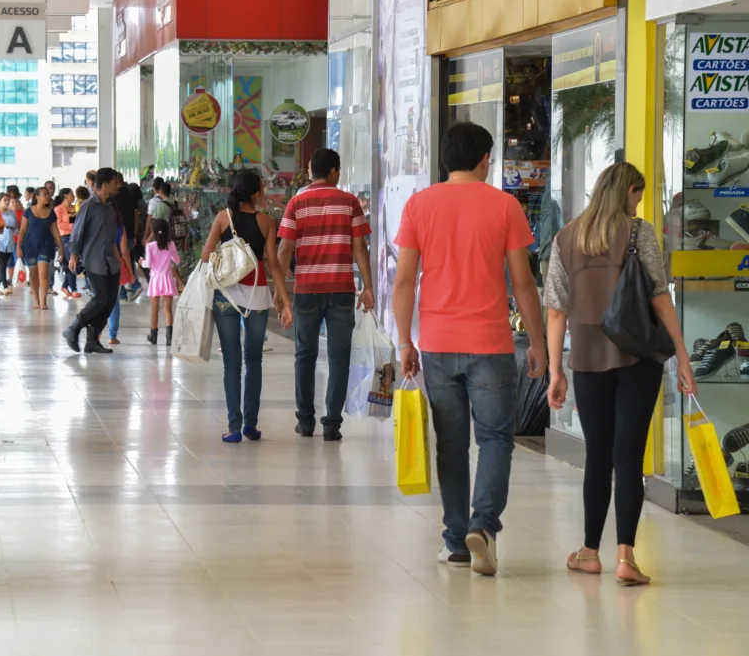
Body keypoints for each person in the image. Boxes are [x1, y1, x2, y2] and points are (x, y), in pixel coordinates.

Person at [393, 121, 546, 577]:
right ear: (484, 159)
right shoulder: (504, 206)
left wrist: (405, 340)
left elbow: (404, 280)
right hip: (492, 345)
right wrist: (537, 342)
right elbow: (523, 282)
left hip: (438, 344)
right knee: (497, 438)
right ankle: (484, 525)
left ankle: (457, 541)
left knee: (452, 445)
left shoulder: (419, 205)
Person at [544, 162, 697, 587]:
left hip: (589, 360)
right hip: (638, 358)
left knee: (598, 455)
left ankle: (590, 552)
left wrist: (555, 370)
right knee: (628, 456)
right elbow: (659, 298)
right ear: (628, 191)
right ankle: (626, 557)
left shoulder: (566, 238)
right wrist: (682, 357)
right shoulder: (639, 232)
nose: (638, 204)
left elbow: (556, 309)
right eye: (638, 195)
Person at [277, 148, 374, 443]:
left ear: (310, 171)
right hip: (341, 290)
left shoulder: (296, 203)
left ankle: (305, 421)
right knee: (339, 357)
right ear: (334, 172)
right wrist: (368, 287)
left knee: (304, 355)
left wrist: (281, 292)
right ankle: (332, 423)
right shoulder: (350, 203)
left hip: (306, 291)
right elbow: (359, 249)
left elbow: (284, 250)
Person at [203, 170, 294, 443]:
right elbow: (274, 263)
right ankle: (250, 425)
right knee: (254, 360)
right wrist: (285, 300)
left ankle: (233, 427)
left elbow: (206, 255)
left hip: (225, 297)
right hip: (256, 297)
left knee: (231, 362)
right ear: (257, 193)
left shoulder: (222, 218)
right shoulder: (266, 222)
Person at [64, 168, 122, 354]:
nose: (118, 185)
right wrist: (74, 255)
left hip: (111, 262)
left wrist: (119, 259)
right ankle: (73, 328)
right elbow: (77, 231)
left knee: (110, 301)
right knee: (100, 298)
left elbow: (112, 238)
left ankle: (92, 340)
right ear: (105, 184)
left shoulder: (111, 208)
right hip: (94, 260)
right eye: (115, 181)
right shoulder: (89, 205)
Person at [17, 186, 64, 310]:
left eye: (48, 194)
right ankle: (36, 301)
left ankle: (43, 301)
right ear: (37, 197)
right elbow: (22, 230)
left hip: (46, 246)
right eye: (45, 194)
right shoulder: (28, 211)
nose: (48, 196)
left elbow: (56, 231)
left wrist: (61, 248)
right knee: (33, 275)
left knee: (43, 274)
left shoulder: (51, 213)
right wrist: (18, 247)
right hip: (29, 246)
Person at [144, 219, 183, 346]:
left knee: (155, 308)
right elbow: (177, 261)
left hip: (155, 279)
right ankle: (169, 338)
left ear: (153, 232)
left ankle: (153, 336)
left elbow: (148, 264)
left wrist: (141, 262)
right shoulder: (170, 245)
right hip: (167, 278)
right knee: (168, 309)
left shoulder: (150, 246)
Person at [55, 188, 80, 298]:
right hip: (65, 237)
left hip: (76, 236)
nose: (74, 196)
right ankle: (73, 288)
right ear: (65, 195)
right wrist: (73, 226)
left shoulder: (76, 207)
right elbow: (59, 224)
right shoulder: (58, 209)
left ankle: (65, 285)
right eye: (71, 194)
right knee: (71, 260)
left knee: (75, 261)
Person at [0, 193, 17, 296]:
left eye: (8, 200)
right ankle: (5, 287)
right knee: (2, 263)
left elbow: (15, 227)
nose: (7, 202)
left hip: (10, 239)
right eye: (5, 200)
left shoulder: (12, 213)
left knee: (2, 265)